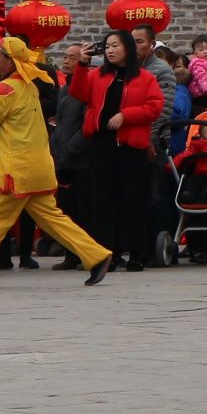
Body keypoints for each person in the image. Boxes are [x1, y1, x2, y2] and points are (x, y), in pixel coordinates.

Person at [0, 35, 111, 288]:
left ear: (9, 60)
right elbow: (17, 131)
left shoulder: (5, 89)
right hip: (36, 167)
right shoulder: (28, 87)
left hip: (15, 172)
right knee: (52, 218)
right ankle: (96, 255)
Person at [73, 31, 163, 270]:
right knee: (103, 200)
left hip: (130, 147)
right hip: (101, 145)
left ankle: (137, 252)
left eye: (116, 46)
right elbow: (78, 94)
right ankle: (107, 254)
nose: (110, 50)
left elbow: (154, 107)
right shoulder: (97, 75)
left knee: (133, 200)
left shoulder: (145, 78)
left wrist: (127, 116)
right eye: (108, 46)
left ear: (128, 49)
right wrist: (82, 64)